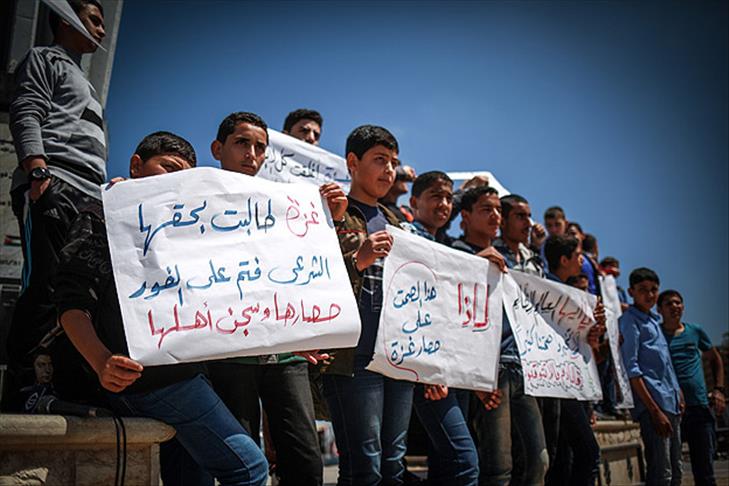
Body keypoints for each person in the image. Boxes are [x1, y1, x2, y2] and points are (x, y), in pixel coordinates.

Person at [53, 131, 269, 486]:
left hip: (187, 373)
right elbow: (72, 302)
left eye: (183, 177)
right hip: (156, 380)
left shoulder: (186, 231)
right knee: (250, 470)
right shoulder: (105, 216)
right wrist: (101, 361)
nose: (173, 181)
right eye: (167, 168)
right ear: (136, 166)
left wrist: (288, 334)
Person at [208, 112, 345, 486]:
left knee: (305, 461)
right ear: (217, 148)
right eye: (242, 143)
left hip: (286, 353)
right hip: (229, 352)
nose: (251, 154)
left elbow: (307, 265)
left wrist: (330, 220)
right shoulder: (196, 199)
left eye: (260, 147)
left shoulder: (284, 203)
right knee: (243, 461)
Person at [7, 0, 108, 400]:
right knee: (45, 284)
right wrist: (37, 171)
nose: (101, 30)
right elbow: (27, 110)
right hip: (55, 181)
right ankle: (24, 387)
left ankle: (61, 385)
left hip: (88, 193)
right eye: (93, 20)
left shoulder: (85, 80)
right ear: (66, 20)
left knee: (75, 290)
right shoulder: (44, 58)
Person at [313, 124, 413, 485]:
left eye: (393, 163)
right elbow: (311, 276)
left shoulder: (400, 224)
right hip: (353, 359)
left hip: (398, 358)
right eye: (380, 160)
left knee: (393, 464)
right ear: (353, 163)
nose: (389, 170)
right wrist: (359, 259)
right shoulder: (329, 212)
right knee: (364, 466)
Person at [402, 171, 496, 486]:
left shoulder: (441, 243)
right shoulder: (408, 238)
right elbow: (414, 307)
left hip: (447, 369)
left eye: (448, 198)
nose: (444, 204)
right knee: (464, 462)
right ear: (414, 202)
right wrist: (430, 369)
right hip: (425, 367)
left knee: (446, 464)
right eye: (435, 197)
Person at [450, 187, 546, 486]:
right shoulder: (453, 252)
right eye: (486, 209)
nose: (495, 216)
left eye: (498, 210)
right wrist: (477, 263)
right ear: (465, 216)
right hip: (490, 371)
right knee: (498, 466)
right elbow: (446, 304)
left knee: (539, 460)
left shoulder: (511, 263)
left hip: (523, 367)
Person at [542, 235, 604, 486]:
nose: (582, 260)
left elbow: (584, 347)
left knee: (565, 458)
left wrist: (592, 332)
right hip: (555, 384)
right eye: (577, 255)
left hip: (571, 384)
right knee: (586, 453)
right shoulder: (546, 290)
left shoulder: (573, 294)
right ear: (564, 259)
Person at [619, 268, 683, 486]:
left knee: (676, 468)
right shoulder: (630, 321)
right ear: (631, 292)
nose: (649, 294)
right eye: (642, 290)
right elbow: (632, 369)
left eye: (654, 290)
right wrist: (655, 411)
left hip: (671, 403)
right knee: (661, 472)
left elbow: (666, 363)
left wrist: (678, 392)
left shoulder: (654, 321)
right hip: (653, 406)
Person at [658, 290, 725, 486]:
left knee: (705, 471)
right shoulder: (655, 334)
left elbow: (715, 358)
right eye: (669, 303)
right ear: (659, 309)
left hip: (699, 407)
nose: (674, 307)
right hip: (669, 410)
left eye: (678, 303)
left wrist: (719, 389)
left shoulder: (695, 331)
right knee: (670, 471)